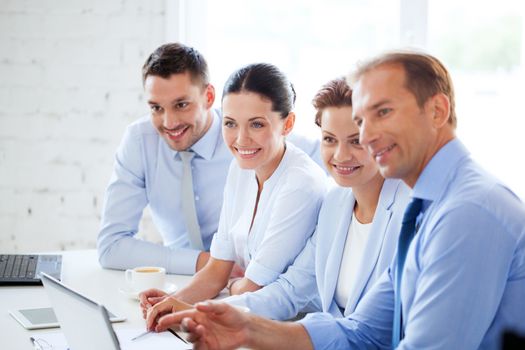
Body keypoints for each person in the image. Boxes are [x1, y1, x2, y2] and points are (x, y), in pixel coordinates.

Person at [151, 51, 525, 350]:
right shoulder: (426, 206)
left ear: (437, 112)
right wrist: (247, 329)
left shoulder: (468, 211)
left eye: (383, 113)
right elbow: (363, 332)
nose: (370, 134)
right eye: (363, 120)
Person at [97, 43, 321, 275]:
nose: (169, 122)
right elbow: (111, 246)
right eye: (156, 108)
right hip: (183, 278)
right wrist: (207, 264)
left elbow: (334, 160)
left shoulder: (250, 136)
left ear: (209, 97)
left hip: (254, 282)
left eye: (181, 105)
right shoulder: (140, 140)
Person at [205, 77, 410, 321]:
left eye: (356, 141)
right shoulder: (335, 204)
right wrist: (203, 314)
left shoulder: (410, 210)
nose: (341, 156)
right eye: (330, 139)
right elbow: (291, 290)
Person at [140, 63, 327, 314]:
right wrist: (173, 301)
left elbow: (253, 289)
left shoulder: (301, 184)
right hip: (245, 314)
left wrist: (232, 288)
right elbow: (217, 270)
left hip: (291, 325)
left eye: (257, 124)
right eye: (230, 124)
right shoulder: (242, 168)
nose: (241, 139)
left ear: (288, 123)